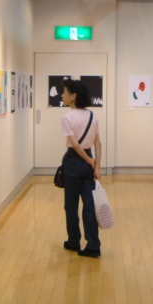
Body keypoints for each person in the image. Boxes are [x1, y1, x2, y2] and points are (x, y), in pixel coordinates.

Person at [60, 79, 102, 258]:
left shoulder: (67, 117)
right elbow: (98, 143)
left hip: (73, 162)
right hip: (89, 161)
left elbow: (75, 145)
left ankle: (74, 241)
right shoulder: (93, 116)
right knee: (89, 206)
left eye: (65, 92)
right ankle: (93, 245)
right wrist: (96, 165)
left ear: (73, 96)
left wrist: (90, 161)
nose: (62, 95)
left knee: (71, 205)